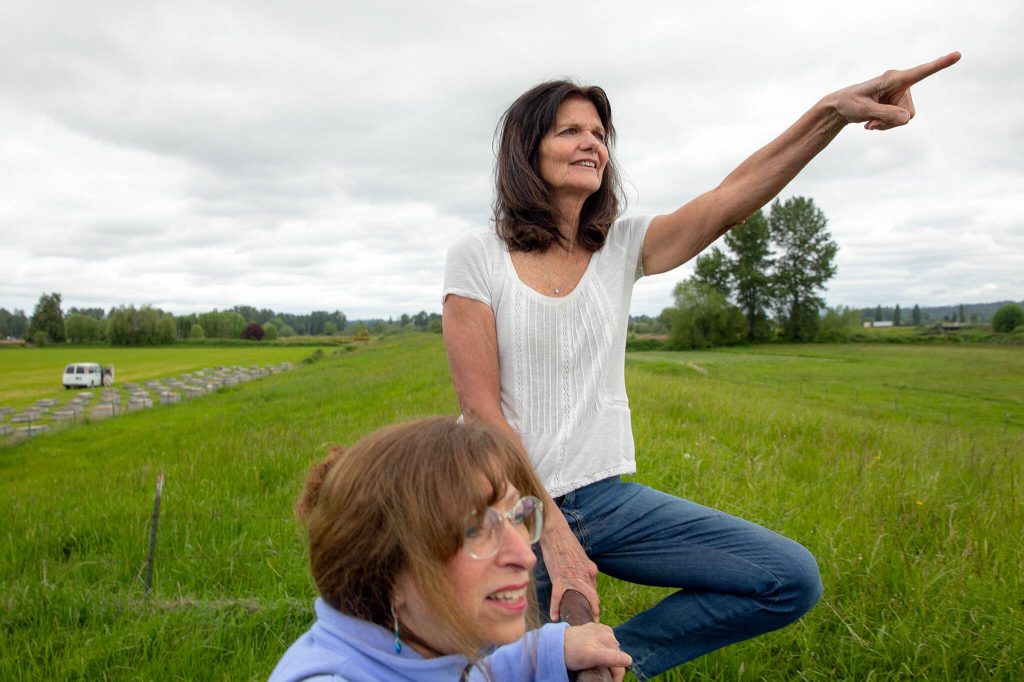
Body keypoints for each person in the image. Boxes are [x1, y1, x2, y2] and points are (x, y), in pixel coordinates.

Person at [442, 52, 961, 679]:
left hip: (603, 498)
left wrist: (832, 112)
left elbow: (731, 197)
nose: (593, 144)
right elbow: (481, 411)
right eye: (571, 131)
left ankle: (610, 666)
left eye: (601, 134)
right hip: (509, 506)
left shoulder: (622, 246)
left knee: (787, 578)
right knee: (488, 667)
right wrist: (551, 530)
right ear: (528, 150)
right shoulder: (478, 256)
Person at [269, 416, 633, 682]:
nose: (525, 556)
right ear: (387, 576)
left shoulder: (422, 642)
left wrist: (550, 651)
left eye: (516, 515)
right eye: (474, 530)